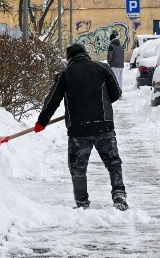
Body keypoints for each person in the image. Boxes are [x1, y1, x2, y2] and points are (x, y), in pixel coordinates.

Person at [35, 43, 128, 211]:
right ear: (85, 54)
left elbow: (51, 102)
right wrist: (100, 103)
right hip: (104, 126)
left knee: (78, 167)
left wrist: (41, 122)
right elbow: (116, 93)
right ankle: (119, 195)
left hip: (79, 130)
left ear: (69, 58)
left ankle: (82, 203)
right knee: (113, 162)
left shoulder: (65, 75)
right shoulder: (102, 68)